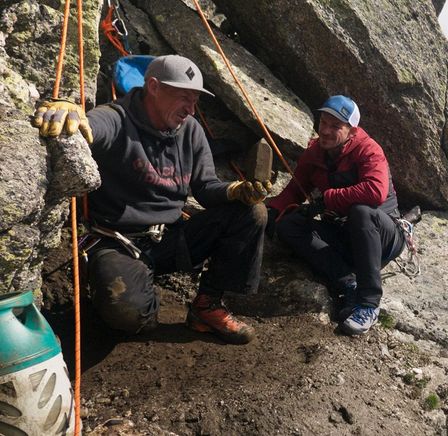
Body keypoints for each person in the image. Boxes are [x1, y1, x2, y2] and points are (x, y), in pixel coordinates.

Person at [32, 55, 270, 344]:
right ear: (154, 86)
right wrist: (73, 112)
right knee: (132, 318)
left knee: (252, 213)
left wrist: (235, 191)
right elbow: (93, 127)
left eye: (194, 100)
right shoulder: (118, 118)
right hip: (118, 241)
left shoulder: (191, 130)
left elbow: (206, 187)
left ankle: (207, 306)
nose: (190, 110)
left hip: (171, 238)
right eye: (184, 97)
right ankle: (127, 294)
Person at [268, 95, 405, 335]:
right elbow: (294, 191)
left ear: (352, 131)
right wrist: (271, 211)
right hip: (346, 236)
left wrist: (329, 198)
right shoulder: (315, 152)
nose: (326, 131)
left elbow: (375, 192)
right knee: (290, 225)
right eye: (324, 122)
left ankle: (369, 303)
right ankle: (347, 282)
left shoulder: (369, 150)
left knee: (362, 212)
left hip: (383, 238)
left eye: (336, 126)